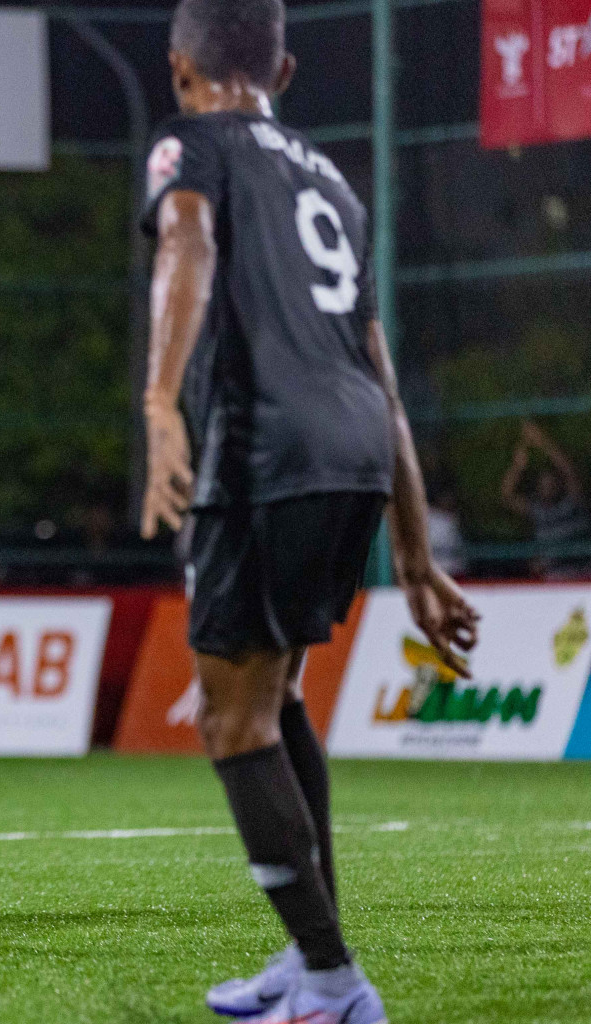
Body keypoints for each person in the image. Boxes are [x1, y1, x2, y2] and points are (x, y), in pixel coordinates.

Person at [138, 2, 480, 1021]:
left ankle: (332, 981)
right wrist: (415, 557)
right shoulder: (333, 179)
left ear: (179, 68)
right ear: (283, 67)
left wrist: (159, 401)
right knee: (276, 698)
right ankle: (309, 958)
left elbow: (187, 242)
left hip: (266, 452)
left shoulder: (188, 141)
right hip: (359, 446)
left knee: (232, 722)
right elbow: (378, 363)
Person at [501, 420, 591, 579]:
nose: (547, 488)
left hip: (580, 574)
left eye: (551, 483)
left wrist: (542, 441)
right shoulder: (537, 509)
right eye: (543, 484)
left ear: (559, 485)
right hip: (553, 577)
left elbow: (568, 470)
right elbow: (507, 497)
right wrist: (517, 467)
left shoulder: (571, 503)